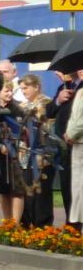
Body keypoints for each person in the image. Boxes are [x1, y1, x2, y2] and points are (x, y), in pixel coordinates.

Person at [45, 70, 82, 225]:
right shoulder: (64, 87)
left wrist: (71, 134)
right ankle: (71, 224)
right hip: (63, 145)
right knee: (67, 186)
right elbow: (49, 112)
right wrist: (59, 100)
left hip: (77, 142)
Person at [17, 73, 53, 227]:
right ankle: (26, 222)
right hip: (25, 155)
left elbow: (49, 128)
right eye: (21, 89)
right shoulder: (22, 106)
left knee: (42, 192)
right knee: (26, 190)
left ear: (36, 87)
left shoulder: (46, 103)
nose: (23, 91)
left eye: (26, 88)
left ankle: (43, 225)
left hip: (42, 154)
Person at [0, 80, 27, 223]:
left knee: (17, 189)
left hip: (15, 152)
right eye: (6, 91)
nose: (9, 94)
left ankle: (15, 224)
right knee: (3, 190)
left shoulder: (16, 108)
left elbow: (25, 128)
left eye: (11, 91)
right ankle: (7, 221)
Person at [64, 83, 83, 233]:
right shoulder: (80, 92)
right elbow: (73, 116)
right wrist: (68, 133)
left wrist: (72, 133)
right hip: (77, 144)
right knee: (77, 187)